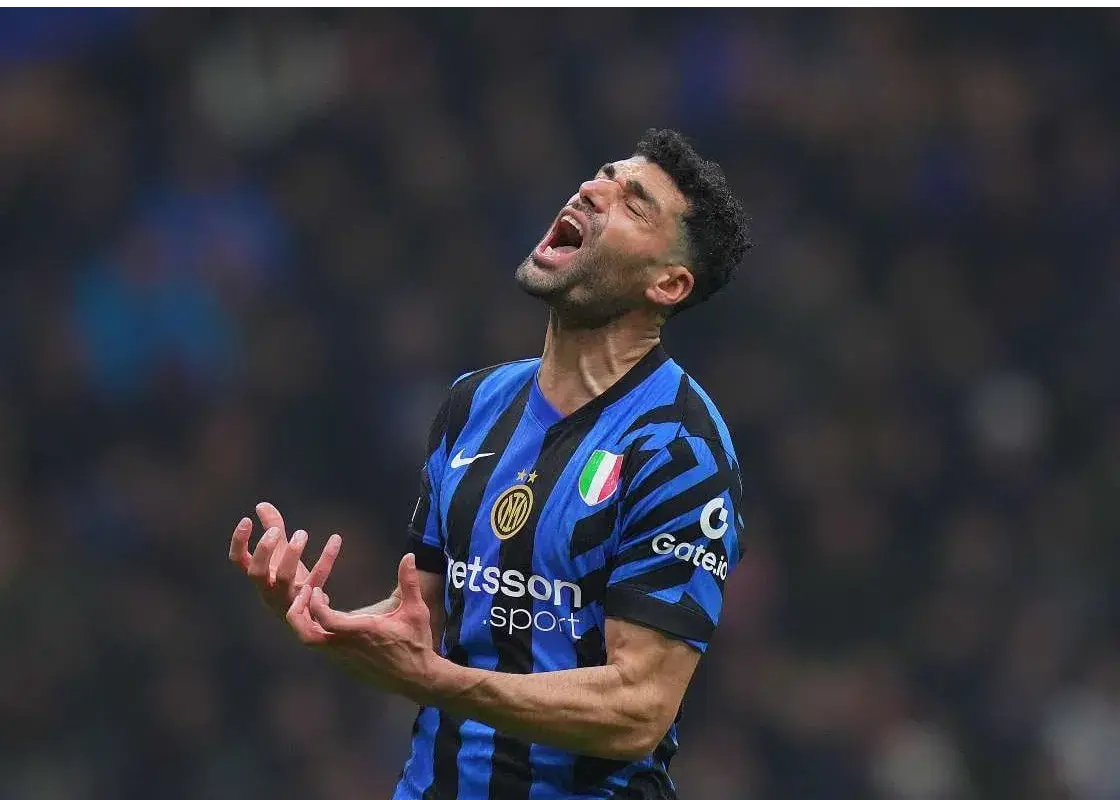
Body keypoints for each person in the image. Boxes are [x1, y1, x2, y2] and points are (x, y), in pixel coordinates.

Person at [229, 128, 751, 799]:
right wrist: (325, 620)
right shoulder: (473, 402)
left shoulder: (678, 447)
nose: (592, 190)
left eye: (633, 203)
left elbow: (636, 711)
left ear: (668, 283)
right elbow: (424, 627)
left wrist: (436, 679)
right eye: (602, 173)